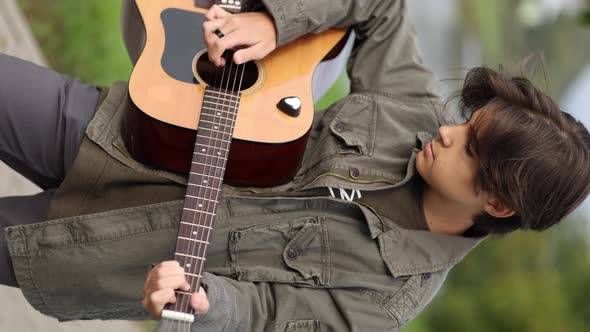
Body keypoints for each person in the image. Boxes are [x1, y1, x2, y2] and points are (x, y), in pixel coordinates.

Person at [0, 0, 589, 331]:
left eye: (469, 147)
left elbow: (267, 318)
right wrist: (275, 22)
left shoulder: (384, 302)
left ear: (498, 204)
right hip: (117, 132)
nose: (445, 130)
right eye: (467, 121)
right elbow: (380, 5)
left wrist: (208, 302)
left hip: (97, 250)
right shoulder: (416, 110)